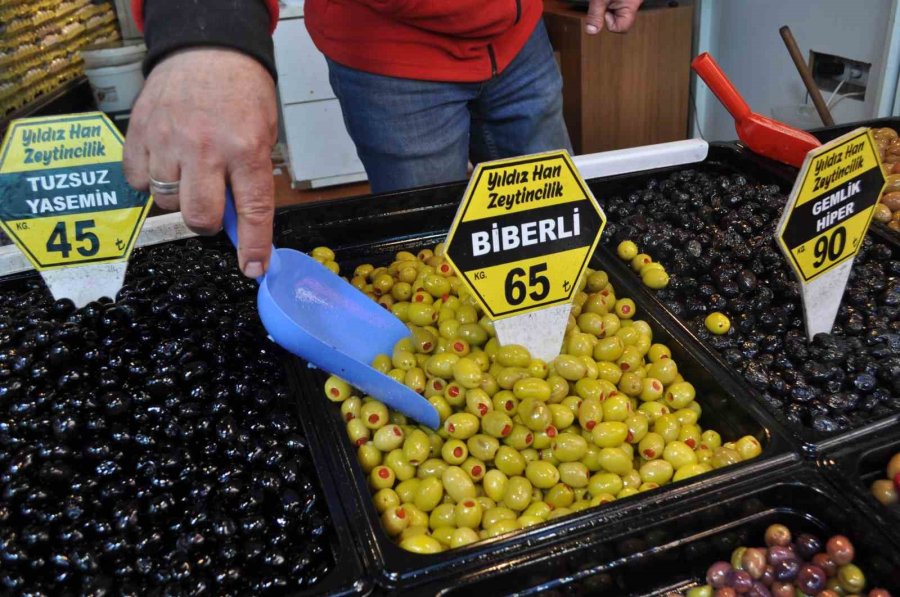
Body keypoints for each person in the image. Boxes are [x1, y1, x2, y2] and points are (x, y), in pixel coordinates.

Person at [124, 0, 642, 278]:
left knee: (554, 231)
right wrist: (208, 27)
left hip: (519, 37)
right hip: (390, 54)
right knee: (425, 257)